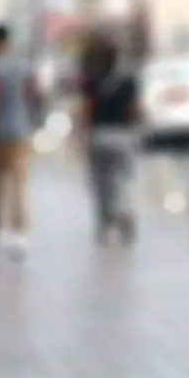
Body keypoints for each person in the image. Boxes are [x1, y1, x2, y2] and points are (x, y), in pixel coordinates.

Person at [0, 23, 42, 257]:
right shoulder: (24, 67)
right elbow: (35, 96)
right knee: (19, 184)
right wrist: (32, 123)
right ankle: (19, 233)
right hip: (21, 133)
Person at [77, 32, 141, 244]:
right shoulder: (129, 79)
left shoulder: (92, 79)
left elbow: (86, 110)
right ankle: (123, 210)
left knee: (100, 183)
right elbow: (135, 110)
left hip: (99, 135)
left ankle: (104, 224)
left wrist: (79, 134)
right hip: (123, 135)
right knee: (121, 179)